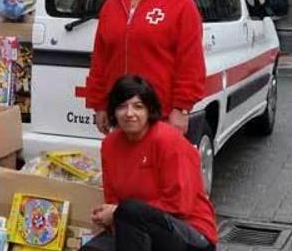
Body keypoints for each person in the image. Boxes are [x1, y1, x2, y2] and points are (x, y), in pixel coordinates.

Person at [83, 0, 205, 136]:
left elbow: (190, 62)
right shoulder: (112, 5)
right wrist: (99, 105)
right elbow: (100, 61)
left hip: (162, 116)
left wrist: (181, 108)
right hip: (123, 114)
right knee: (123, 167)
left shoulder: (181, 4)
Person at [83, 75, 217, 251]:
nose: (129, 113)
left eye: (138, 106)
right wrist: (109, 215)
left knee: (129, 210)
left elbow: (179, 205)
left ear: (149, 110)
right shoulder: (109, 145)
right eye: (122, 106)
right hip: (135, 228)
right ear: (113, 112)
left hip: (190, 233)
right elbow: (112, 198)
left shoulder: (168, 140)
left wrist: (116, 213)